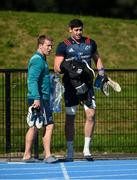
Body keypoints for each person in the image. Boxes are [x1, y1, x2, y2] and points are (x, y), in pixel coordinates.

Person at [54, 19, 105, 161]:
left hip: (87, 85)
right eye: (76, 30)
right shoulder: (63, 45)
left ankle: (86, 150)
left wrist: (101, 73)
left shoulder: (90, 43)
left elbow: (97, 59)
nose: (78, 32)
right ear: (70, 29)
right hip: (71, 86)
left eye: (80, 30)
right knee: (70, 117)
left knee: (90, 115)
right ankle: (70, 152)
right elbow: (57, 67)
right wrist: (71, 67)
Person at [23, 35, 58, 163]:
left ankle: (28, 155)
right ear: (40, 46)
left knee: (37, 126)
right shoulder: (37, 60)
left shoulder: (42, 59)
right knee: (46, 125)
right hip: (38, 98)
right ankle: (47, 155)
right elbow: (32, 80)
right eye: (48, 45)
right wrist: (37, 99)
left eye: (51, 46)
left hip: (43, 98)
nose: (50, 48)